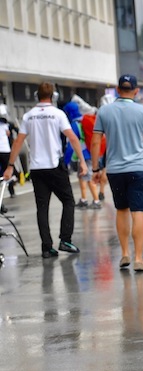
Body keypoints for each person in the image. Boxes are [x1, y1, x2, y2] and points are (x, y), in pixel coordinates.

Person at [2, 82, 87, 258]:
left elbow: (18, 141)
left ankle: (46, 247)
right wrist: (83, 162)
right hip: (55, 166)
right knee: (68, 202)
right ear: (53, 96)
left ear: (36, 96)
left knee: (42, 208)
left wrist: (10, 167)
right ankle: (65, 239)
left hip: (36, 169)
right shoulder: (58, 114)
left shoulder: (28, 116)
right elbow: (72, 137)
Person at [90, 74, 143, 272]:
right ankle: (139, 258)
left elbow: (95, 142)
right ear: (136, 90)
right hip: (139, 168)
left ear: (117, 89)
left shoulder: (104, 112)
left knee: (121, 210)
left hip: (115, 170)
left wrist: (96, 168)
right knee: (138, 211)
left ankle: (124, 254)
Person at [63, 101, 101, 209]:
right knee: (82, 177)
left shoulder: (74, 124)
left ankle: (96, 200)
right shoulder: (84, 119)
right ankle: (84, 199)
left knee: (88, 178)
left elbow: (72, 143)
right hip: (88, 153)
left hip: (84, 155)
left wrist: (66, 160)